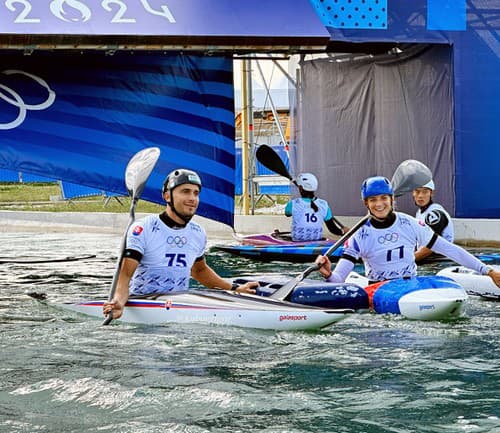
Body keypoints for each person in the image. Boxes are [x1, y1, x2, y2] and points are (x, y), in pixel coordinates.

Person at [103, 168, 258, 320]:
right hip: (145, 303)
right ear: (167, 196)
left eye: (196, 193)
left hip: (178, 305)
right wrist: (118, 301)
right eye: (185, 191)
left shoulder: (198, 232)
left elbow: (200, 271)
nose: (192, 198)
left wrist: (235, 289)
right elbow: (125, 275)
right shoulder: (143, 228)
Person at [315, 176, 500, 288]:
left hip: (411, 283)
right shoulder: (358, 236)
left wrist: (488, 271)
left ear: (392, 198)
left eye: (383, 198)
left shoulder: (410, 223)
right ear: (366, 203)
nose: (379, 204)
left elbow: (450, 249)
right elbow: (339, 279)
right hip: (379, 288)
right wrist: (328, 274)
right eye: (373, 200)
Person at [284, 172, 349, 242]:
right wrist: (342, 232)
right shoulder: (324, 204)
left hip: (297, 241)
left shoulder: (293, 204)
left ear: (300, 188)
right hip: (316, 242)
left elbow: (287, 214)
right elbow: (332, 229)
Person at [413, 179, 454, 262]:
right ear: (413, 193)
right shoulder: (420, 213)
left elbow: (430, 247)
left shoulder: (435, 213)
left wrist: (406, 261)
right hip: (426, 258)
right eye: (417, 191)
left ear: (431, 193)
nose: (420, 196)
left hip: (437, 262)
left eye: (425, 192)